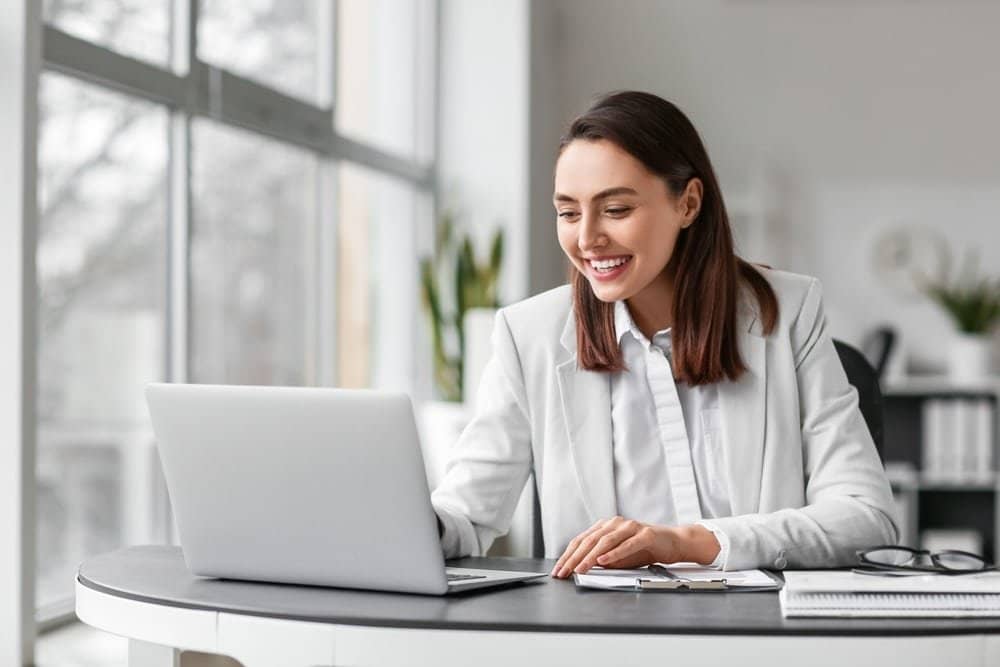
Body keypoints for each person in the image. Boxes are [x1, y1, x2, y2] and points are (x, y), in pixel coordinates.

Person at [430, 91, 898, 577]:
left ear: (689, 203)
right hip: (603, 640)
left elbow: (866, 518)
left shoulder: (787, 312)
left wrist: (686, 543)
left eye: (615, 210)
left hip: (754, 636)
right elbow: (465, 514)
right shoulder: (529, 336)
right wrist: (419, 525)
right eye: (569, 213)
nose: (587, 238)